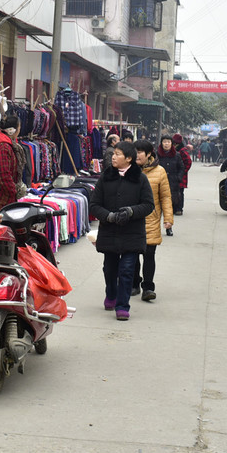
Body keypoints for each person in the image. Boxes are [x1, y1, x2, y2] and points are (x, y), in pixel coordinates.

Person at [88, 141, 154, 321]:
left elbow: (148, 205)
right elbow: (94, 205)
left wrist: (131, 212)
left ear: (129, 158)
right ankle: (111, 293)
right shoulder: (105, 177)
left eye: (117, 154)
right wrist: (108, 216)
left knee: (126, 270)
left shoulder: (140, 179)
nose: (113, 157)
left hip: (132, 233)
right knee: (109, 269)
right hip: (109, 232)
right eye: (113, 154)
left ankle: (123, 306)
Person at [132, 139, 172, 303]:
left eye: (140, 152)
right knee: (132, 254)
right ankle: (134, 283)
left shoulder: (160, 172)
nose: (136, 155)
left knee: (149, 254)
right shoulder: (128, 170)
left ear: (149, 154)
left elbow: (165, 196)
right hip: (132, 218)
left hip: (151, 219)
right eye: (135, 151)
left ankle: (148, 288)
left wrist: (168, 218)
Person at [155, 136, 183, 234]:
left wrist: (178, 178)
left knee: (169, 207)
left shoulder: (177, 155)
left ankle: (169, 227)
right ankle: (155, 228)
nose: (166, 144)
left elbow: (181, 168)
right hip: (158, 183)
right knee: (156, 207)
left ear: (172, 144)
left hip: (172, 184)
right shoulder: (156, 154)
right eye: (164, 142)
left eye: (168, 142)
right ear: (161, 143)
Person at [172, 133, 192, 216]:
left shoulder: (182, 151)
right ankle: (174, 208)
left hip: (181, 176)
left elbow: (188, 162)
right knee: (173, 192)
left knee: (179, 192)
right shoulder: (175, 150)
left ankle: (179, 209)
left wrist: (183, 171)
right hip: (174, 175)